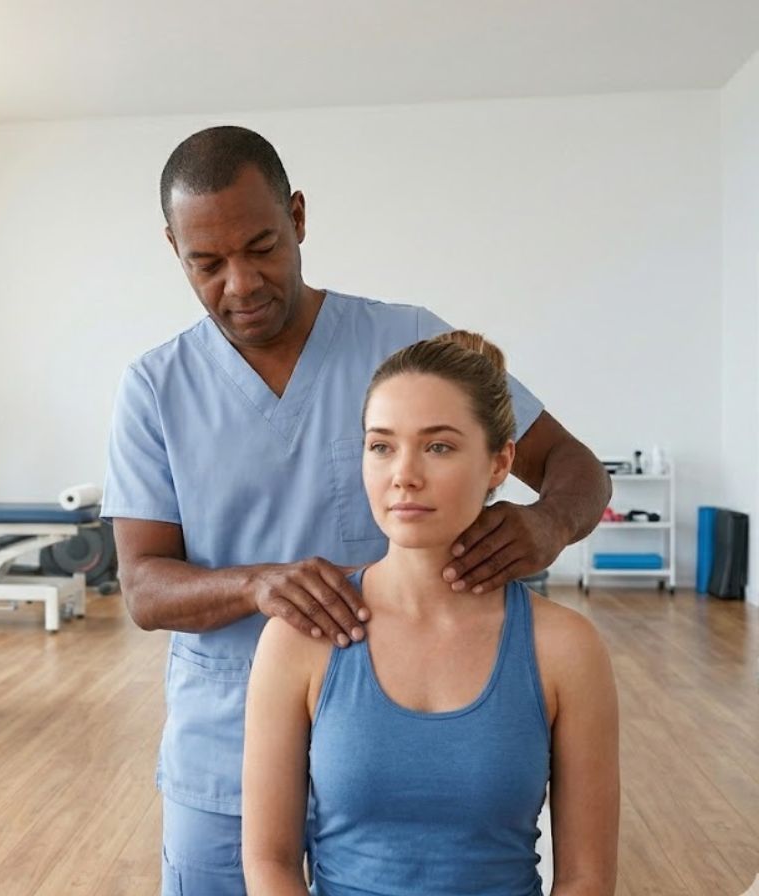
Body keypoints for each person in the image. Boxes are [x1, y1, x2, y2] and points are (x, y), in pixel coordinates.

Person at [102, 125, 612, 896]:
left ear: (298, 218)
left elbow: (576, 467)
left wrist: (547, 524)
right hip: (226, 748)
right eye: (207, 264)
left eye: (262, 248)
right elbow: (142, 588)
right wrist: (257, 585)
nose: (241, 284)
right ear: (175, 249)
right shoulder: (155, 388)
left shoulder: (407, 344)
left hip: (400, 747)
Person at [241, 331, 620, 896]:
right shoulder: (299, 640)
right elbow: (269, 862)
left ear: (500, 462)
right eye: (381, 446)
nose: (404, 474)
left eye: (438, 447)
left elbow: (586, 878)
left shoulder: (566, 648)